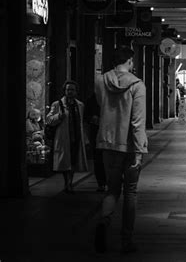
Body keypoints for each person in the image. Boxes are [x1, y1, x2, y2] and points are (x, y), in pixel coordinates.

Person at [94, 46, 148, 254]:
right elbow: (137, 121)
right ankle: (126, 240)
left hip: (108, 143)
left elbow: (102, 105)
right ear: (129, 61)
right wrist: (138, 150)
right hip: (129, 146)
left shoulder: (100, 81)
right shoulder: (137, 85)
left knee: (112, 189)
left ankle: (104, 221)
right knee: (130, 192)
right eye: (132, 62)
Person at [46, 80, 88, 193]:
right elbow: (49, 119)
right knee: (65, 162)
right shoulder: (57, 104)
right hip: (64, 138)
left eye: (72, 90)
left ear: (76, 91)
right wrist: (59, 117)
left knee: (73, 160)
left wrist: (85, 138)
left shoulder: (80, 105)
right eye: (68, 89)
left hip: (76, 137)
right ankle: (67, 182)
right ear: (64, 91)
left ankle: (70, 182)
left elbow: (82, 122)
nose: (70, 92)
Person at [84, 92, 106, 192]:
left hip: (111, 133)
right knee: (98, 159)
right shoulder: (92, 98)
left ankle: (112, 181)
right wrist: (92, 118)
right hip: (96, 133)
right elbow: (86, 115)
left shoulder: (114, 96)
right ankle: (101, 183)